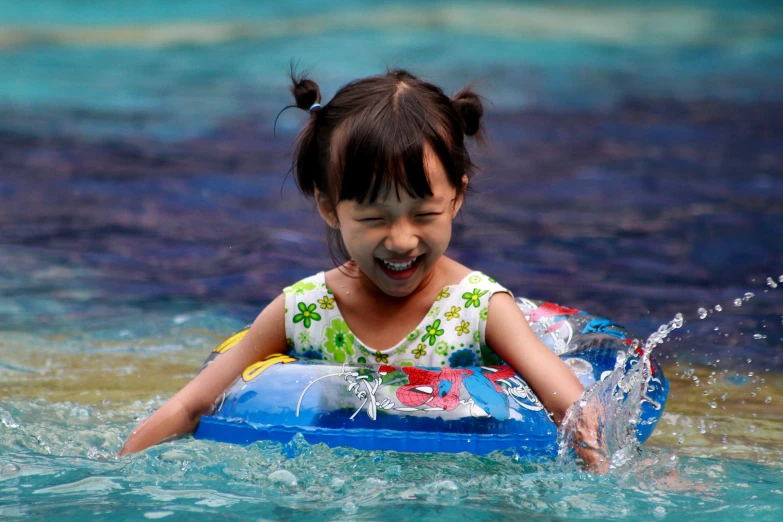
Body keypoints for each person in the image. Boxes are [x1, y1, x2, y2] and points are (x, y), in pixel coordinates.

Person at [119, 69, 606, 471]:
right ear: (330, 208)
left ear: (456, 197)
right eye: (374, 218)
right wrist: (117, 474)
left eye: (424, 214)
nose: (401, 239)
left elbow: (574, 407)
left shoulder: (480, 309)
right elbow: (190, 404)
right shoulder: (303, 310)